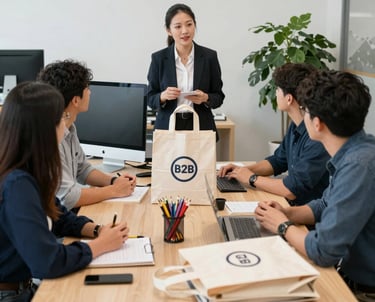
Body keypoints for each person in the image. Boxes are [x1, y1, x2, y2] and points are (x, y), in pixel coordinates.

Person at [0, 82, 130, 301]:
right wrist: (100, 245)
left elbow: (58, 215)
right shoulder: (16, 184)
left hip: (24, 287)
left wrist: (98, 230)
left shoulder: (30, 169)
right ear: (43, 129)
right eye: (61, 120)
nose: (65, 126)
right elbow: (47, 261)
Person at [254, 70, 375, 301]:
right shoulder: (359, 150)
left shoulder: (358, 166)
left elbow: (323, 251)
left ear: (317, 123)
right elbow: (324, 204)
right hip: (351, 277)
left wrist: (282, 226)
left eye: (306, 111)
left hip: (364, 291)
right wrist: (287, 212)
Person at [219, 63, 330, 206]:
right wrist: (242, 171)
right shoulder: (296, 125)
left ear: (289, 99)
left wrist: (251, 179)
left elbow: (292, 189)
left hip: (307, 216)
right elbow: (278, 161)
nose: (276, 93)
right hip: (292, 206)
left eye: (277, 89)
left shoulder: (316, 137)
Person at [37, 60, 136, 211]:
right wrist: (114, 191)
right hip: (56, 223)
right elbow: (67, 198)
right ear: (76, 100)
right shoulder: (51, 137)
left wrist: (114, 181)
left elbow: (82, 169)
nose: (90, 92)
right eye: (87, 88)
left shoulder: (70, 128)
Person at [147, 3, 225, 138]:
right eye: (178, 26)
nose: (185, 31)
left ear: (195, 25)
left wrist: (205, 98)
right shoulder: (159, 58)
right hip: (168, 130)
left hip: (201, 129)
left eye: (189, 24)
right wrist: (163, 96)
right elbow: (149, 98)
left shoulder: (209, 57)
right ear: (169, 30)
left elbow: (219, 96)